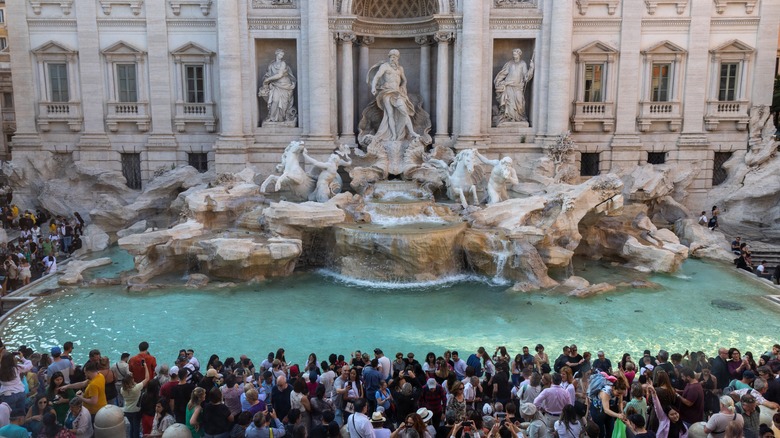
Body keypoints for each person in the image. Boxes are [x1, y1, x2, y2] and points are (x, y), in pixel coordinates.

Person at [368, 49, 420, 142]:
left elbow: (404, 80)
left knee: (404, 111)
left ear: (397, 58)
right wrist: (373, 87)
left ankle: (411, 132)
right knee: (390, 114)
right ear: (389, 57)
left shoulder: (400, 68)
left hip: (397, 93)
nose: (393, 58)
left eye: (395, 57)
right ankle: (393, 135)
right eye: (391, 57)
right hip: (386, 92)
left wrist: (403, 86)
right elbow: (377, 77)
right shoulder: (385, 66)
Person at [494, 48, 535, 125]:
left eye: (515, 54)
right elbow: (503, 73)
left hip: (518, 86)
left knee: (519, 102)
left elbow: (526, 77)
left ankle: (519, 118)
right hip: (509, 85)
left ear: (519, 54)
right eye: (513, 54)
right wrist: (499, 81)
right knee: (509, 103)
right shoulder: (509, 63)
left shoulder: (523, 63)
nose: (514, 55)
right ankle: (510, 118)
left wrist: (531, 68)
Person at [259, 49, 297, 124]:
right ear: (276, 54)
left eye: (282, 55)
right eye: (280, 54)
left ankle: (281, 118)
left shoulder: (283, 63)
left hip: (285, 85)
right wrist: (266, 81)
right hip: (275, 85)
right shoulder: (271, 65)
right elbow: (268, 75)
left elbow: (280, 75)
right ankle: (271, 118)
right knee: (275, 101)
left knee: (284, 104)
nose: (281, 56)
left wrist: (268, 79)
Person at [121, 357, 150, 438]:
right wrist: (145, 366)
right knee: (136, 427)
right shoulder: (136, 388)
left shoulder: (122, 389)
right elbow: (147, 378)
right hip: (136, 410)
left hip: (127, 410)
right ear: (131, 380)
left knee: (132, 427)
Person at [0, 350, 33, 414]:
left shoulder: (1, 369)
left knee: (9, 415)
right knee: (21, 414)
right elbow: (30, 365)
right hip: (20, 393)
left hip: (7, 394)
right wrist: (22, 358)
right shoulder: (17, 368)